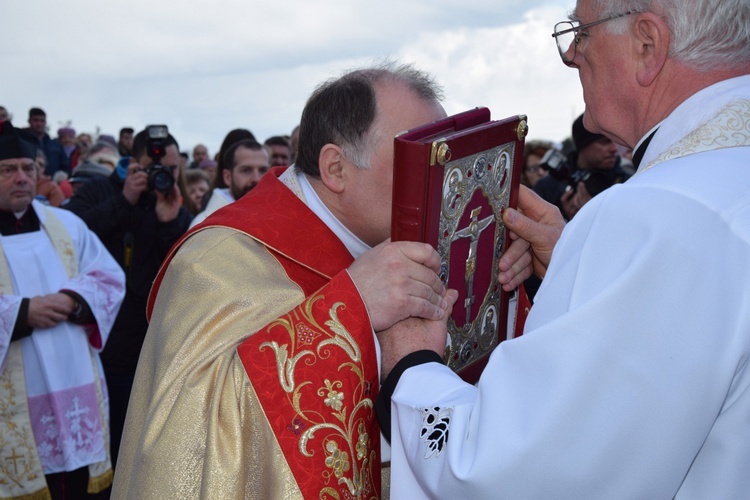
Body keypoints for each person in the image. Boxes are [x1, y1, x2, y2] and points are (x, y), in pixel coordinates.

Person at [376, 0, 750, 498]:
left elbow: (512, 474)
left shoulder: (654, 214)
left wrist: (412, 365)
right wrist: (578, 266)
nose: (571, 53)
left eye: (583, 31)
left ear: (647, 44)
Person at [112, 62, 450, 499]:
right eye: (418, 160)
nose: (440, 184)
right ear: (336, 168)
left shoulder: (405, 237)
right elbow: (189, 443)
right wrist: (352, 306)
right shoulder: (215, 262)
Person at [0, 121, 125, 498]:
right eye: (8, 170)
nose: (22, 177)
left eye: (28, 167)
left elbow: (109, 278)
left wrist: (73, 301)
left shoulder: (67, 225)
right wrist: (22, 313)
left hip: (78, 390)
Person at [63, 126, 192, 469]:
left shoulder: (176, 202)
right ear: (132, 164)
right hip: (105, 345)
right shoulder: (100, 191)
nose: (164, 176)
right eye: (152, 169)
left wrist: (172, 220)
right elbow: (67, 239)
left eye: (173, 170)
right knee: (110, 443)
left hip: (155, 343)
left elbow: (184, 270)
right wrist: (124, 200)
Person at [534, 113, 629, 220]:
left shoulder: (628, 184)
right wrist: (564, 221)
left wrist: (589, 216)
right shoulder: (548, 187)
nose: (614, 149)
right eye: (605, 142)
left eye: (616, 141)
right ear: (583, 146)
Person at [189, 139, 269, 228]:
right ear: (227, 177)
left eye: (263, 170)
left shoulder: (274, 215)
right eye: (246, 170)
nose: (256, 178)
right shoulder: (203, 226)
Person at [20, 108, 69, 177]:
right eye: (35, 120)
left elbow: (65, 166)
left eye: (42, 121)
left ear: (45, 122)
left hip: (53, 183)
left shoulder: (55, 145)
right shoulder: (22, 142)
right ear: (29, 121)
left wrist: (61, 177)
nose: (39, 124)